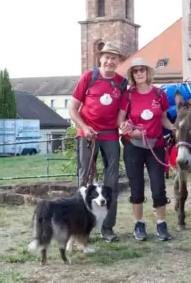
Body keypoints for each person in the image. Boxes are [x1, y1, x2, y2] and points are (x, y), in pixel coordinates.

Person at [69, 42, 128, 243]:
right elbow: (73, 109)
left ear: (119, 61)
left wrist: (124, 126)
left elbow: (121, 115)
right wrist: (85, 128)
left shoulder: (121, 83)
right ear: (100, 58)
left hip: (110, 135)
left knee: (111, 182)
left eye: (114, 58)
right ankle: (81, 227)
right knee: (84, 181)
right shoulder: (89, 77)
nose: (110, 61)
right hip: (87, 134)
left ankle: (108, 228)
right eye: (107, 57)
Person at [117, 57, 174, 242]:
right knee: (137, 187)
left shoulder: (159, 94)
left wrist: (175, 128)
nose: (139, 73)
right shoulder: (129, 95)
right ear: (132, 75)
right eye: (135, 71)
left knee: (159, 187)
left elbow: (164, 119)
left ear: (148, 72)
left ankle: (161, 224)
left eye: (142, 69)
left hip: (155, 146)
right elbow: (121, 120)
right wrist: (130, 131)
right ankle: (139, 224)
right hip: (133, 146)